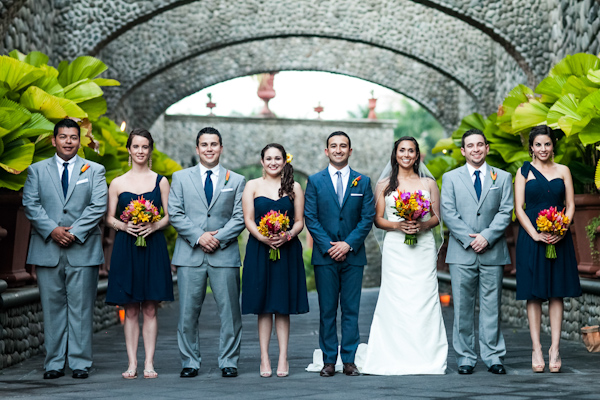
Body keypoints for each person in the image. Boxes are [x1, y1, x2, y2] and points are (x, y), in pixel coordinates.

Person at [22, 118, 108, 380]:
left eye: (73, 137)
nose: (68, 141)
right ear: (53, 140)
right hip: (47, 247)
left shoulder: (94, 169)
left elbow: (98, 206)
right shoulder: (36, 170)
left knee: (82, 309)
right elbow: (30, 204)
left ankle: (80, 363)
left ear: (79, 141)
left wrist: (75, 232)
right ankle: (54, 363)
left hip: (83, 248)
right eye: (63, 137)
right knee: (52, 308)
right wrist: (53, 230)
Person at [361, 137, 447, 375]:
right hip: (397, 248)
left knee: (424, 297)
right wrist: (399, 226)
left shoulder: (428, 183)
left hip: (423, 246)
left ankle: (427, 356)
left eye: (411, 150)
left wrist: (421, 225)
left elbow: (437, 217)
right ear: (395, 154)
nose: (407, 154)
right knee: (395, 297)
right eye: (402, 150)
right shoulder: (383, 185)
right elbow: (378, 220)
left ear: (417, 155)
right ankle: (392, 354)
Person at [168, 127, 246, 378]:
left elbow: (240, 217)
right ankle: (190, 361)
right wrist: (199, 236)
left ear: (221, 148)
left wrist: (218, 238)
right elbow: (175, 213)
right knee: (188, 312)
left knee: (230, 312)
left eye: (214, 144)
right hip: (190, 254)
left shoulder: (236, 180)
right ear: (197, 148)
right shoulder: (180, 178)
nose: (209, 149)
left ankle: (228, 361)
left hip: (224, 254)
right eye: (204, 144)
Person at [441, 128, 513, 375]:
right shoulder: (450, 178)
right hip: (462, 252)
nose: (475, 149)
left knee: (492, 305)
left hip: (492, 251)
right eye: (470, 146)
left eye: (480, 145)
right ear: (463, 151)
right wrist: (471, 240)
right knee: (461, 306)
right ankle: (465, 357)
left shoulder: (502, 177)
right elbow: (448, 213)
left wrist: (487, 237)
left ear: (487, 148)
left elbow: (506, 211)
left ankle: (493, 356)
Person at [304, 131, 375, 377]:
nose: (338, 149)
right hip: (325, 256)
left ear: (350, 150)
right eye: (333, 146)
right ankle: (328, 360)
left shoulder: (363, 182)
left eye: (343, 146)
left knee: (351, 309)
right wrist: (330, 246)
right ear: (326, 151)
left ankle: (349, 360)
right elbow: (310, 218)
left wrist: (347, 244)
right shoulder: (314, 181)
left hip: (353, 255)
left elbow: (367, 219)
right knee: (326, 310)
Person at [105, 128, 174, 379]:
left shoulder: (161, 181)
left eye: (145, 147)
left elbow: (169, 216)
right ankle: (132, 363)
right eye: (136, 146)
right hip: (126, 246)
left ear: (150, 149)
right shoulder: (118, 182)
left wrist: (154, 224)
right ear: (129, 150)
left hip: (153, 247)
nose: (140, 151)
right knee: (131, 308)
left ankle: (149, 364)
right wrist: (124, 225)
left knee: (150, 309)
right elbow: (109, 217)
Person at [514, 126, 581, 373]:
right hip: (532, 237)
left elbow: (571, 205)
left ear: (553, 146)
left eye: (547, 144)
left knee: (556, 292)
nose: (543, 149)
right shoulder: (523, 172)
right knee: (534, 293)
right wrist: (535, 234)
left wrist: (562, 229)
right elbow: (519, 208)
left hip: (558, 237)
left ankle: (554, 349)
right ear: (531, 147)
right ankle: (536, 348)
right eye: (538, 145)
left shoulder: (564, 170)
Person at [241, 143, 309, 378]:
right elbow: (248, 218)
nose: (273, 162)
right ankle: (264, 357)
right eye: (268, 158)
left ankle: (283, 357)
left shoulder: (295, 187)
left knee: (282, 306)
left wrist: (288, 235)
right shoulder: (252, 186)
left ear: (284, 161)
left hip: (287, 250)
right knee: (263, 306)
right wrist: (262, 237)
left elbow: (299, 220)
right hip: (259, 249)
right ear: (262, 161)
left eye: (277, 158)